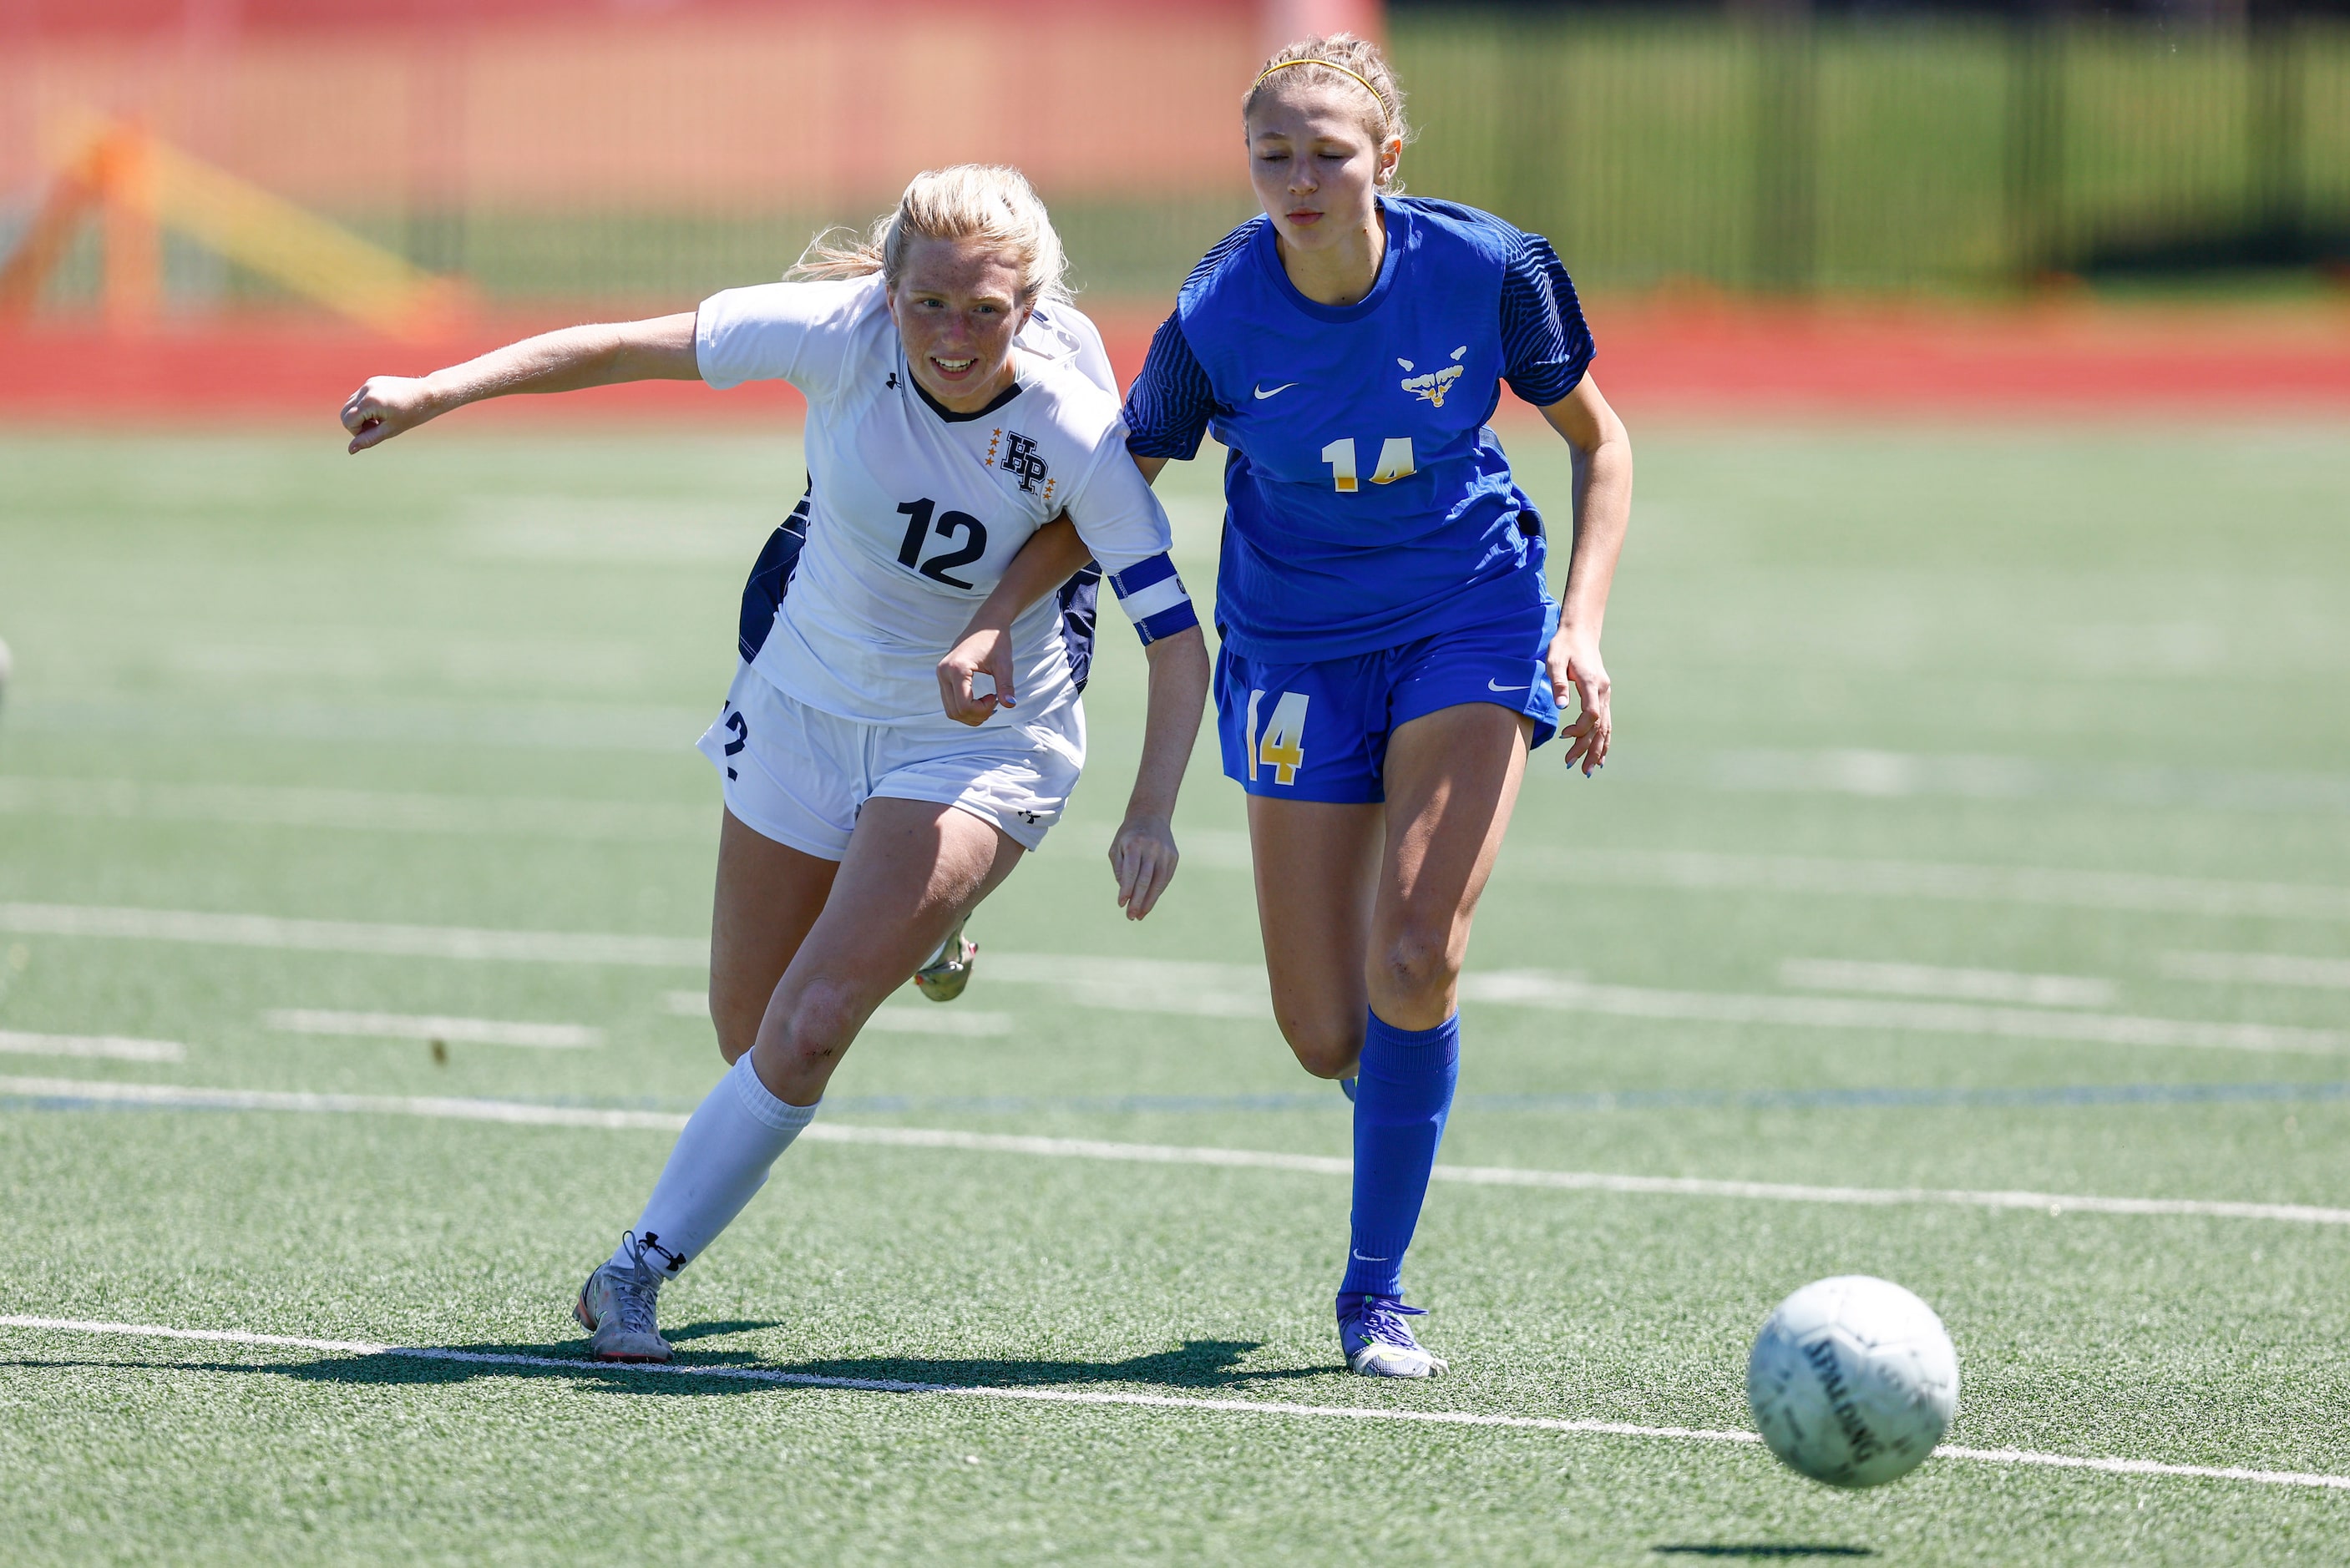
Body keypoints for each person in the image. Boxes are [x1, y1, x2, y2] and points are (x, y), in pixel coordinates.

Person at [339, 164, 1212, 1363]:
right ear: (887, 286)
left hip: (973, 741)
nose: (954, 337)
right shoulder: (833, 332)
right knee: (746, 1034)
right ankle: (923, 930)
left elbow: (1175, 634)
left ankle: (631, 1272)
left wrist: (1150, 810)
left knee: (805, 1029)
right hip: (804, 696)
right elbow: (616, 346)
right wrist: (435, 388)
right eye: (928, 304)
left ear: (1033, 301)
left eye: (985, 310)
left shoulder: (1068, 415)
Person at [963, 36, 1631, 1378]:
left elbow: (1599, 445)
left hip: (1467, 617)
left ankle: (1371, 1294)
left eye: (1327, 152)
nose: (1298, 176)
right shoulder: (1216, 312)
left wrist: (1581, 627)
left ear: (1386, 160)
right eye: (1273, 152)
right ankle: (1390, 1077)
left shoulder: (1489, 270)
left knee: (1414, 959)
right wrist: (993, 614)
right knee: (1326, 1029)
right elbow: (1120, 484)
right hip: (1293, 649)